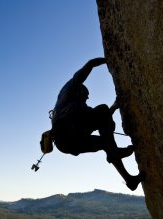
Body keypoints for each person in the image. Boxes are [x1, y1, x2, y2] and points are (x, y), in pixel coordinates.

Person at [51, 57, 145, 191]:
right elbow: (90, 64)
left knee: (105, 143)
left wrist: (114, 106)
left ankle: (129, 180)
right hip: (68, 133)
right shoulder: (72, 88)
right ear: (80, 90)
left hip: (65, 143)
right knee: (102, 109)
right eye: (86, 95)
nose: (87, 98)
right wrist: (110, 59)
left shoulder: (74, 107)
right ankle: (115, 151)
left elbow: (101, 119)